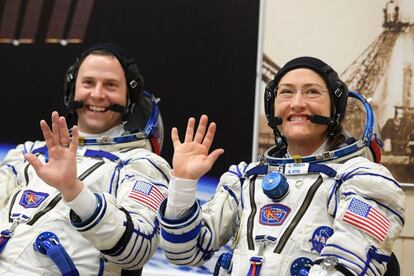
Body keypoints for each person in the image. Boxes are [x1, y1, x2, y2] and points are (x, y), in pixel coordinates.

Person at [157, 56, 405, 275]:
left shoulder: (362, 180)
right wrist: (183, 184)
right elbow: (183, 252)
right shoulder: (246, 179)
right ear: (272, 107)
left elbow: (349, 268)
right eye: (286, 92)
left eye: (312, 92)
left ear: (335, 108)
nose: (297, 103)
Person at [0, 43, 171, 275]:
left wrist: (76, 193)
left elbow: (139, 248)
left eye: (111, 85)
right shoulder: (28, 154)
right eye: (88, 83)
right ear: (72, 90)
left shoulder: (141, 164)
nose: (98, 95)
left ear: (128, 96)